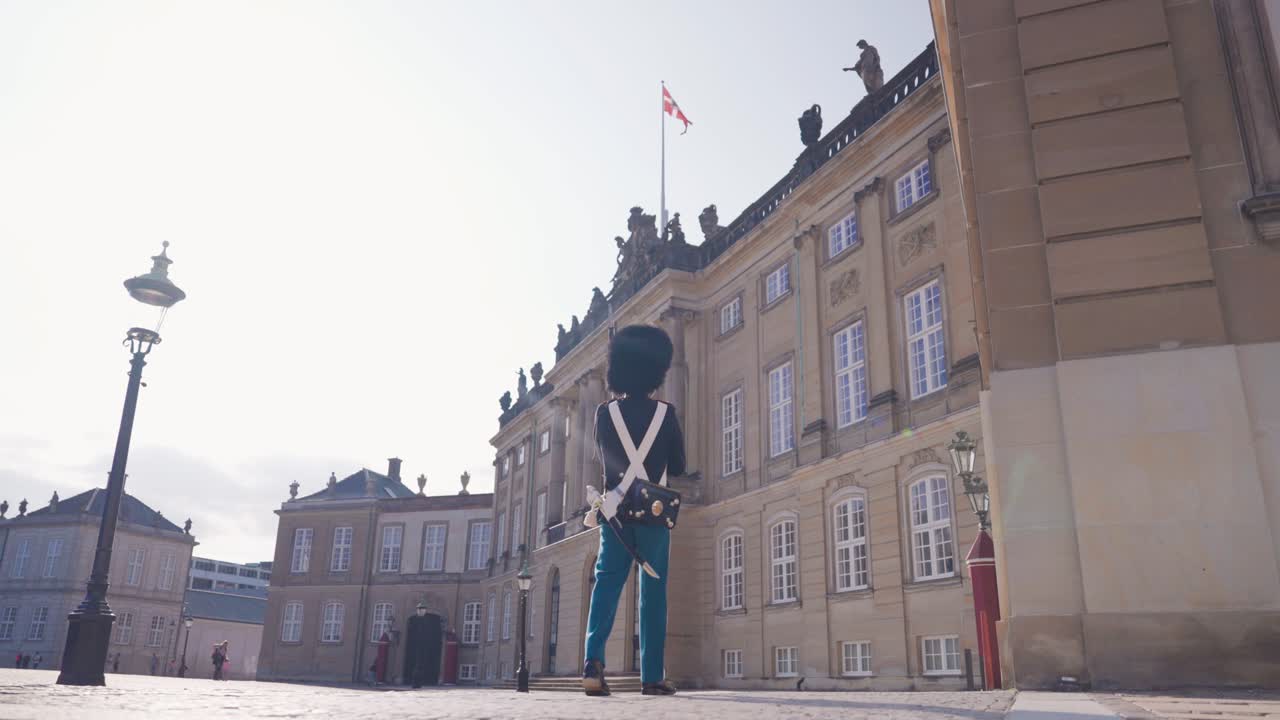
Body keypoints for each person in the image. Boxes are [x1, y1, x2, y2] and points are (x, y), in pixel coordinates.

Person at [582, 324, 685, 697]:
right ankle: (652, 676)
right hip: (653, 513)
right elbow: (678, 466)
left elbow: (604, 462)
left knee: (606, 586)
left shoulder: (605, 414)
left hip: (615, 513)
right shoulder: (665, 414)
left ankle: (593, 663)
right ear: (657, 371)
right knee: (653, 592)